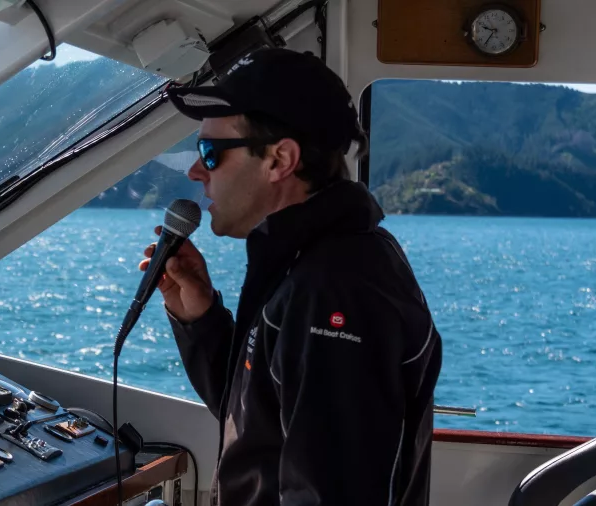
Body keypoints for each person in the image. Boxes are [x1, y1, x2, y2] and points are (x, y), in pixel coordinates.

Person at [139, 48, 442, 505]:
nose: (196, 171)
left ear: (280, 160)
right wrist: (201, 320)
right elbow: (261, 419)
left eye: (210, 152)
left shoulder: (334, 290)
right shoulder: (302, 260)